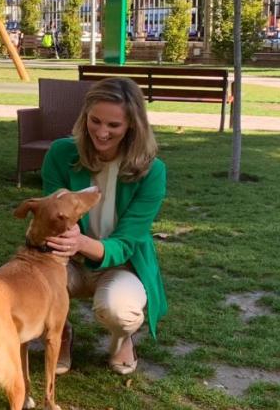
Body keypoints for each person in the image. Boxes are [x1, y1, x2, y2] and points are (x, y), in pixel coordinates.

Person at [41, 77, 167, 376]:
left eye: (113, 125)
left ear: (133, 126)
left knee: (120, 311)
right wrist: (62, 235)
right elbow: (50, 214)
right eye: (94, 121)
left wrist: (82, 243)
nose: (101, 132)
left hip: (120, 264)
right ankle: (60, 333)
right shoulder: (61, 153)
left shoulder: (153, 172)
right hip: (64, 261)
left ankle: (123, 338)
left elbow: (127, 241)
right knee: (30, 287)